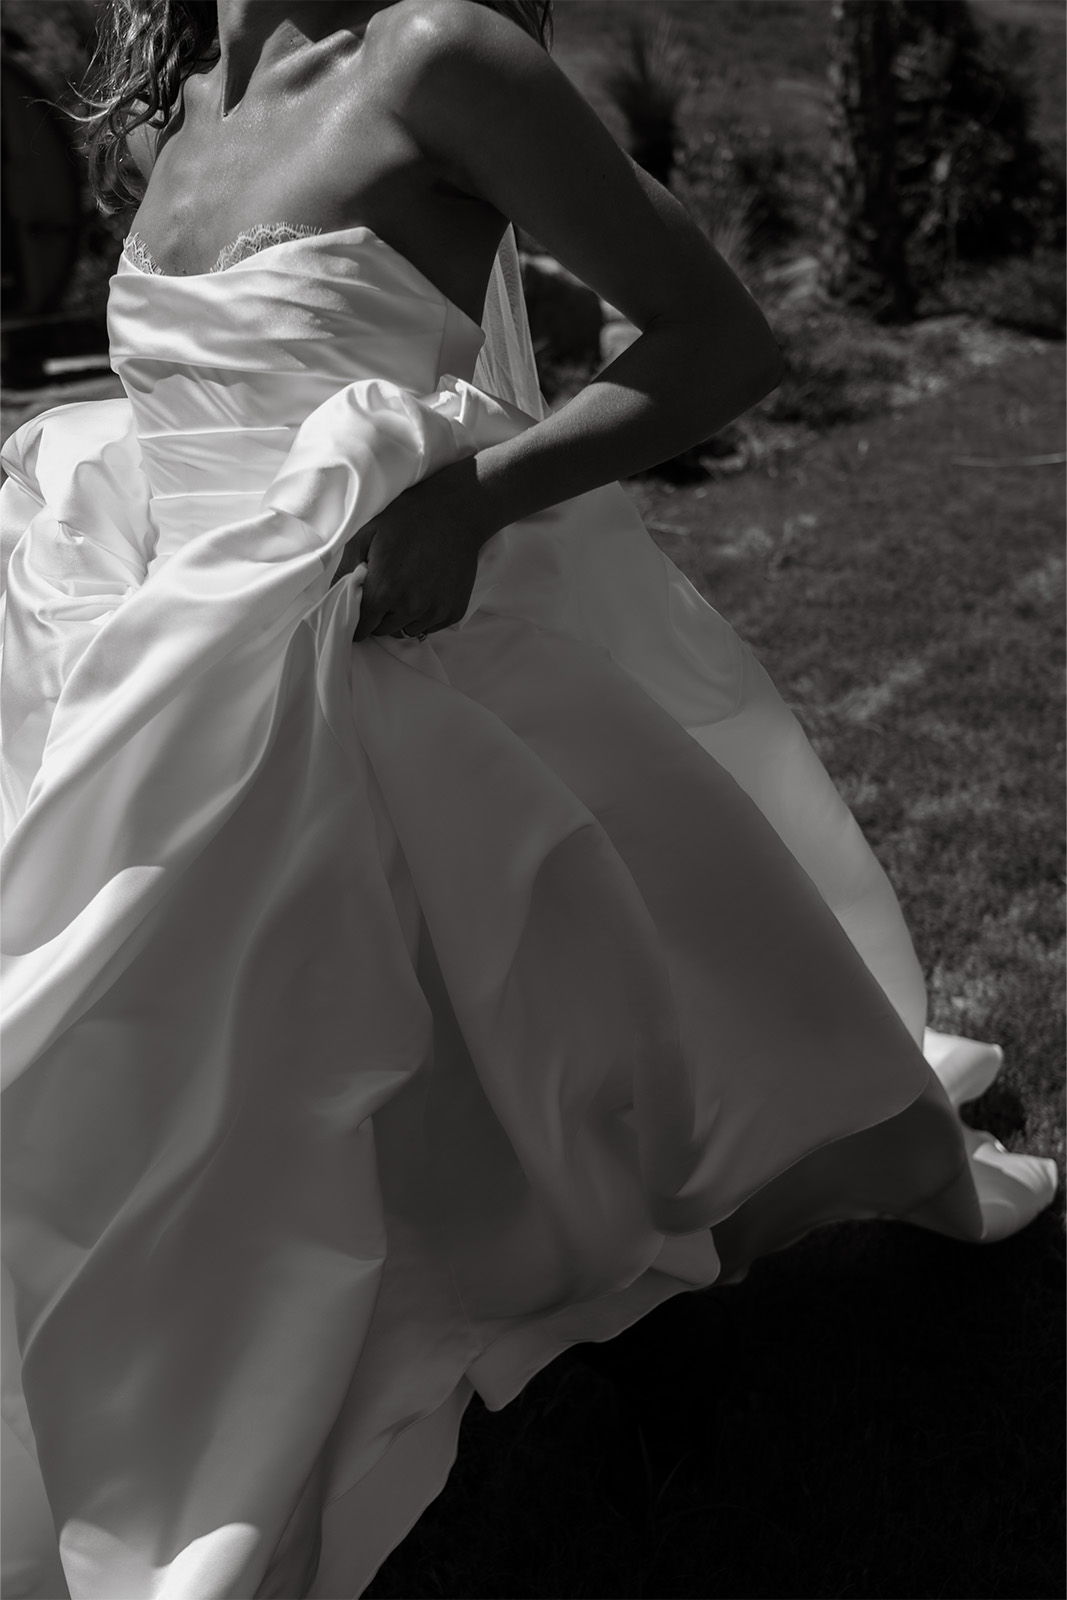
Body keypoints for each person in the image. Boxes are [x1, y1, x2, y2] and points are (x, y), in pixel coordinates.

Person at [0, 2, 1057, 1596]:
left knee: (318, 1055)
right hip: (178, 684)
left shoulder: (435, 58)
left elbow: (720, 336)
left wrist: (479, 500)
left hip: (386, 669)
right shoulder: (165, 106)